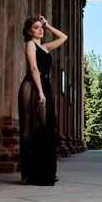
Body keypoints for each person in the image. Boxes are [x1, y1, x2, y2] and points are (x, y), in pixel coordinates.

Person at [18, 14, 68, 186]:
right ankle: (35, 173)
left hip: (44, 85)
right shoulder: (30, 44)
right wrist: (40, 92)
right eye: (36, 27)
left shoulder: (45, 47)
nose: (40, 30)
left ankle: (44, 172)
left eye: (41, 27)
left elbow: (64, 37)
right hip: (33, 86)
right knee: (34, 128)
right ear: (28, 31)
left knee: (47, 129)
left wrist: (48, 26)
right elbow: (33, 68)